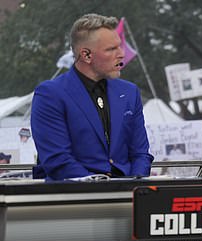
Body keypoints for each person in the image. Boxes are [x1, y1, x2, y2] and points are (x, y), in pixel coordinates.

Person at [31, 13, 153, 180]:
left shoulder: (130, 92)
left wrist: (134, 185)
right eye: (111, 49)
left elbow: (140, 153)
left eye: (120, 46)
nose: (121, 54)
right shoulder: (50, 94)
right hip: (74, 196)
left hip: (128, 193)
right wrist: (102, 187)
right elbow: (57, 160)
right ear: (86, 55)